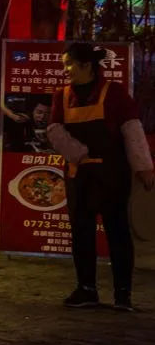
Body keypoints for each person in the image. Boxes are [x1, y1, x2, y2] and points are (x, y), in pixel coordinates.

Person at [47, 42, 154, 311]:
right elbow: (54, 131)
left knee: (117, 231)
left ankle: (122, 294)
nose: (66, 70)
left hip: (112, 173)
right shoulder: (61, 95)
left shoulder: (114, 93)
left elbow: (133, 131)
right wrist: (78, 153)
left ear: (87, 66)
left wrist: (144, 168)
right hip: (78, 174)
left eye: (69, 64)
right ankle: (86, 289)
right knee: (81, 233)